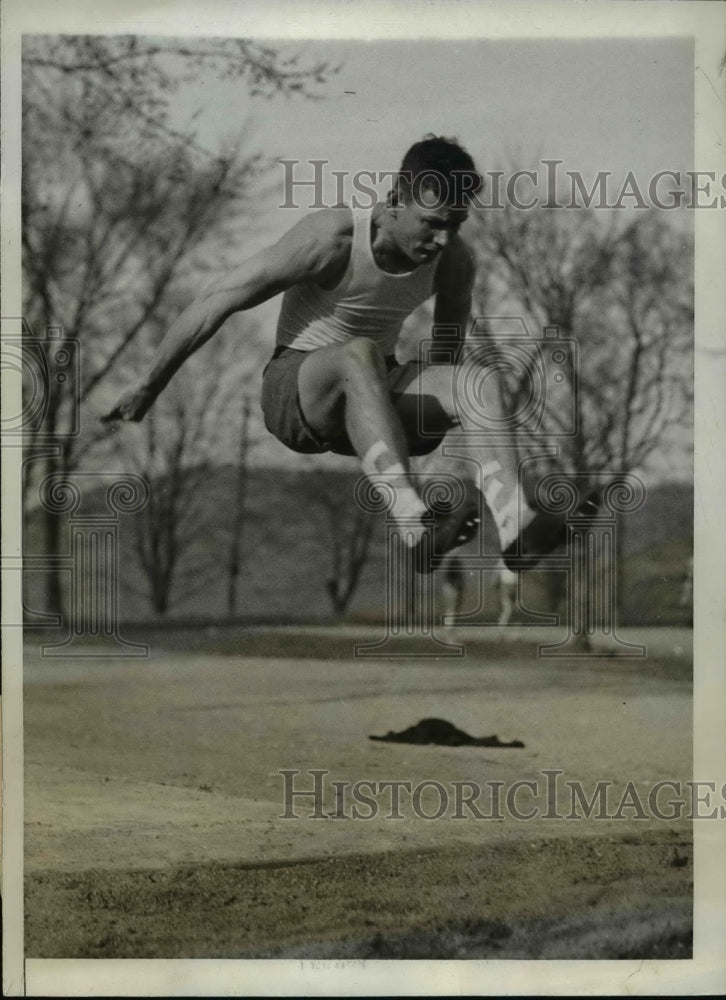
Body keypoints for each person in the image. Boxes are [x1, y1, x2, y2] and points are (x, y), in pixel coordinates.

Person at [103, 135, 570, 572]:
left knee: (478, 381)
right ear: (394, 202)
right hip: (297, 392)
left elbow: (446, 356)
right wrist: (150, 383)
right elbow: (216, 300)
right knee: (358, 353)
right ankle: (413, 522)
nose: (443, 240)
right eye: (432, 223)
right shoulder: (331, 239)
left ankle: (515, 523)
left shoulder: (454, 262)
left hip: (374, 395)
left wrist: (437, 433)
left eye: (455, 224)